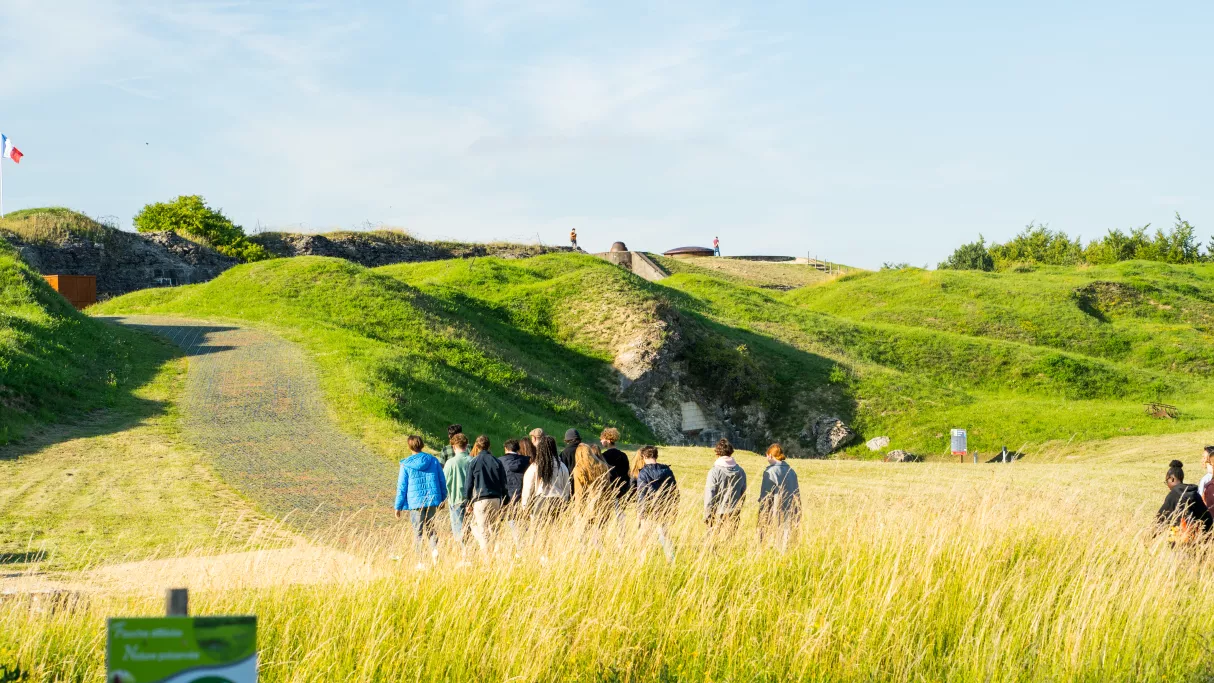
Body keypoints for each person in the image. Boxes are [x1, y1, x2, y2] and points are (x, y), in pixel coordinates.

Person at [394, 435, 447, 569]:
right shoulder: (433, 461)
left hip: (415, 503)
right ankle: (434, 551)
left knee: (418, 532)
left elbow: (402, 486)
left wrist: (398, 506)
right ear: (422, 445)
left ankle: (420, 561)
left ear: (409, 446)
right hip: (432, 500)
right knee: (431, 529)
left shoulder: (406, 464)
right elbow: (442, 480)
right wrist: (442, 498)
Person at [463, 435, 507, 551]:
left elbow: (468, 485)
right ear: (489, 446)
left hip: (480, 499)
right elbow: (503, 483)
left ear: (476, 446)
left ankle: (486, 556)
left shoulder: (473, 462)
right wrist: (505, 500)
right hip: (496, 498)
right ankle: (496, 551)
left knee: (481, 529)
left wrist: (467, 501)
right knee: (494, 528)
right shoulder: (497, 462)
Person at [635, 445, 678, 562]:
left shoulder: (643, 473)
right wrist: (673, 508)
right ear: (656, 456)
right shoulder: (667, 471)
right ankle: (671, 560)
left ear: (643, 456)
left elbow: (642, 494)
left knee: (643, 537)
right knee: (665, 535)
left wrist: (641, 512)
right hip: (664, 508)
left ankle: (642, 561)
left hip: (649, 509)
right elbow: (674, 491)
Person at [757, 443, 801, 551]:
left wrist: (762, 512)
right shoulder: (791, 471)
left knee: (775, 538)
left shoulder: (771, 471)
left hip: (776, 510)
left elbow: (766, 496)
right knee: (787, 537)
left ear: (770, 456)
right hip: (792, 508)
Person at [1157, 459, 1213, 543]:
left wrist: (1148, 536)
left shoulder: (1174, 494)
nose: (1167, 485)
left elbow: (1160, 519)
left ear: (1172, 479)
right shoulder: (1194, 493)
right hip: (1198, 542)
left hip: (1180, 542)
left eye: (1166, 481)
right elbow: (1207, 518)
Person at [522, 435, 570, 524]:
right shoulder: (562, 466)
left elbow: (528, 488)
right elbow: (567, 487)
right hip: (558, 501)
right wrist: (565, 502)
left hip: (540, 501)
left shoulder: (535, 467)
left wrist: (525, 506)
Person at [703, 438, 747, 532]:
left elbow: (710, 495)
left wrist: (708, 516)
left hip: (717, 514)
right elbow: (743, 493)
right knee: (730, 544)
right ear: (731, 453)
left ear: (717, 454)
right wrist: (738, 509)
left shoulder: (714, 472)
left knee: (713, 543)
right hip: (734, 513)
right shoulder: (741, 471)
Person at [443, 433, 473, 546]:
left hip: (456, 499)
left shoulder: (450, 463)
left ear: (454, 446)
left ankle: (464, 554)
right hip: (472, 500)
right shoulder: (473, 460)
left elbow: (444, 481)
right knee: (471, 528)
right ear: (466, 445)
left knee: (459, 530)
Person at [599, 428, 632, 503]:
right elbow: (626, 472)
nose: (600, 441)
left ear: (608, 440)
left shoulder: (604, 456)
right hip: (622, 488)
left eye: (602, 439)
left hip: (609, 488)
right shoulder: (623, 455)